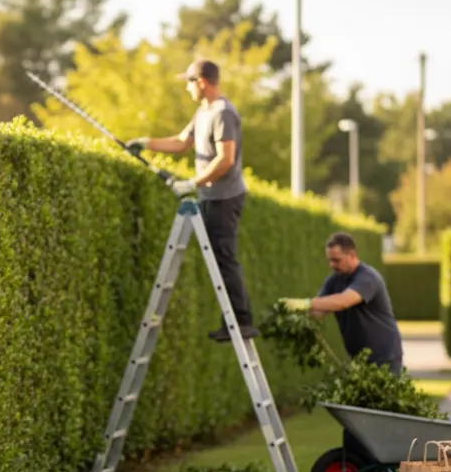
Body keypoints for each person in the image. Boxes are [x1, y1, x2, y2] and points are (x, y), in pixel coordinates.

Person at [126, 58, 258, 343]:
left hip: (224, 197)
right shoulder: (203, 113)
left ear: (201, 82)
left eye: (189, 83)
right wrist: (146, 143)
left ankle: (241, 321)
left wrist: (192, 183)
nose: (187, 89)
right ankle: (235, 321)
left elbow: (225, 159)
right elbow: (182, 142)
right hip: (211, 196)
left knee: (224, 258)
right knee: (219, 258)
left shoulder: (223, 113)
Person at [282, 232, 404, 375]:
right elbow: (319, 311)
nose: (332, 265)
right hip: (358, 358)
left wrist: (307, 303)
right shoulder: (334, 281)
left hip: (385, 357)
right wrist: (294, 315)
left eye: (336, 260)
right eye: (330, 260)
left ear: (352, 255)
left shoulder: (367, 278)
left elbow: (343, 301)